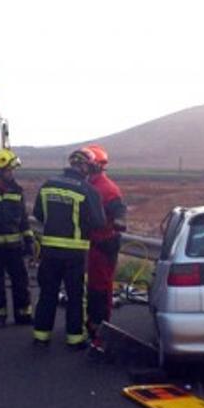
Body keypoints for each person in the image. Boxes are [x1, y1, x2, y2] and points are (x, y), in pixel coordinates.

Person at [31, 148, 106, 349]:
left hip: (48, 251)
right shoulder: (88, 190)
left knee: (47, 293)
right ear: (84, 166)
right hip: (75, 253)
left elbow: (38, 214)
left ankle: (41, 336)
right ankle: (75, 338)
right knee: (75, 297)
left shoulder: (48, 185)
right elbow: (99, 222)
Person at [0, 149, 35, 328]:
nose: (12, 173)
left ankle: (23, 314)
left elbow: (23, 220)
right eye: (10, 170)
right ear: (0, 170)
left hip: (15, 247)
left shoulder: (17, 190)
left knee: (21, 282)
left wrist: (29, 241)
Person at [83, 145, 128, 347]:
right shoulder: (86, 185)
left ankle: (100, 331)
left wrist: (118, 221)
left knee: (101, 289)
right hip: (90, 245)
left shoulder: (107, 189)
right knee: (92, 287)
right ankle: (93, 326)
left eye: (85, 164)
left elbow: (119, 212)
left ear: (96, 166)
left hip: (102, 245)